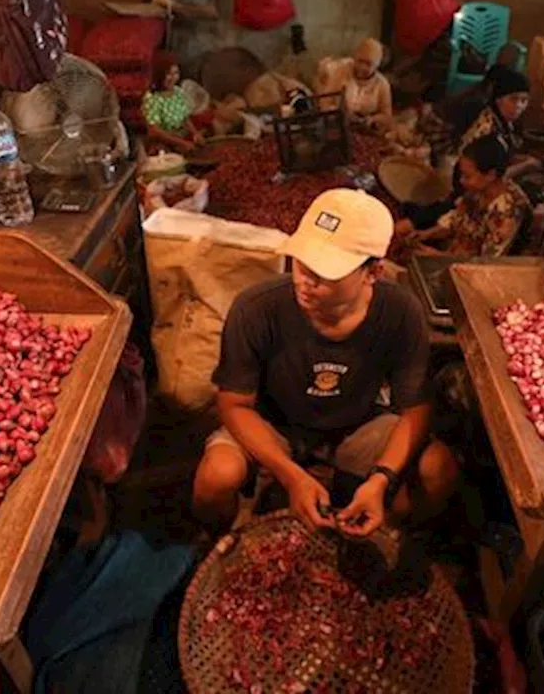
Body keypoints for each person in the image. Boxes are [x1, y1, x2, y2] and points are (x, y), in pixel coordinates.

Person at [192, 189, 461, 536]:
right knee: (217, 474)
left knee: (439, 469)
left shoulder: (400, 312)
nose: (305, 279)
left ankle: (382, 533)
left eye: (326, 271)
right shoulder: (256, 308)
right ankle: (224, 541)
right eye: (302, 261)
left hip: (356, 424)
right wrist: (290, 475)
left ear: (373, 272)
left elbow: (415, 409)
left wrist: (381, 479)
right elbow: (234, 404)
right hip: (276, 425)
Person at [398, 136, 531, 257]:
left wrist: (437, 256)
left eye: (468, 176)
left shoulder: (508, 211)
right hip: (452, 254)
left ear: (490, 175)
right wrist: (427, 234)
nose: (462, 180)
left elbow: (486, 261)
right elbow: (456, 220)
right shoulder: (477, 190)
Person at [460, 65, 541, 178]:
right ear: (499, 100)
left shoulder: (504, 122)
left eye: (524, 100)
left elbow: (500, 158)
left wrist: (523, 160)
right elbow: (487, 177)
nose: (519, 106)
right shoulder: (486, 128)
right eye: (513, 99)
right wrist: (526, 165)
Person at [143, 53, 205, 153]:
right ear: (160, 75)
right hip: (163, 140)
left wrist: (195, 133)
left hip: (180, 136)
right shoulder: (152, 98)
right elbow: (154, 131)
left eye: (176, 73)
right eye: (168, 74)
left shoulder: (178, 92)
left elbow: (185, 118)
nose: (173, 78)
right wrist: (181, 143)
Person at [343, 37, 394, 132]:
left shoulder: (382, 84)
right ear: (355, 57)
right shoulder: (341, 71)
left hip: (365, 129)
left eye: (368, 64)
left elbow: (387, 116)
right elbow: (325, 102)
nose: (362, 67)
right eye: (360, 61)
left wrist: (372, 119)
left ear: (377, 65)